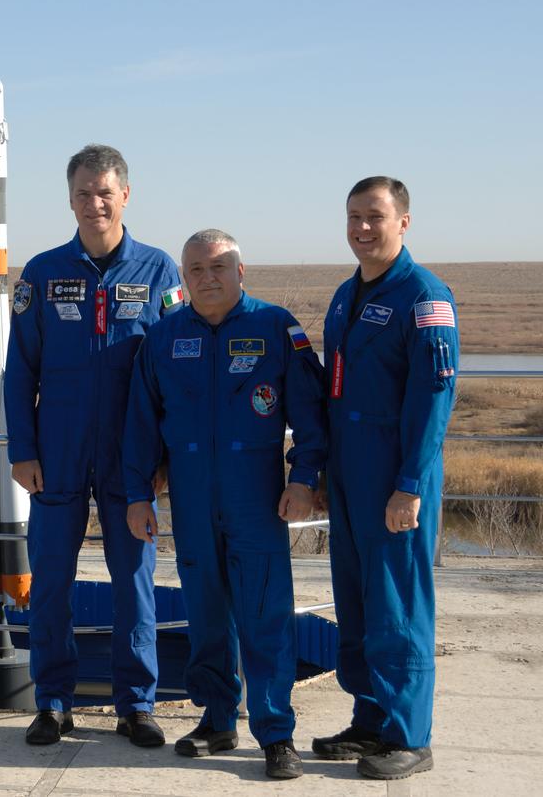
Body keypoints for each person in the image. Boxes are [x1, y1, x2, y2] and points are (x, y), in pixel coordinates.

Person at [122, 229, 327, 779]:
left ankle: (275, 734)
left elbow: (310, 415)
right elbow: (141, 426)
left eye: (218, 266)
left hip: (256, 500)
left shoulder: (275, 327)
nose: (207, 277)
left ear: (241, 270)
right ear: (183, 279)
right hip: (190, 501)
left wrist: (304, 477)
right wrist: (138, 495)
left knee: (265, 617)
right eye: (195, 269)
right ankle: (216, 719)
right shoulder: (164, 338)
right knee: (207, 616)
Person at [4, 144, 184, 747]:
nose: (94, 203)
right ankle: (53, 701)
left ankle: (136, 703)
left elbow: (175, 377)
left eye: (105, 192)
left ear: (125, 196)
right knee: (52, 579)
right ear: (70, 199)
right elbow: (19, 370)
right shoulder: (42, 272)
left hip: (131, 455)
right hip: (56, 451)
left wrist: (162, 458)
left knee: (133, 579)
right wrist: (21, 450)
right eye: (83, 193)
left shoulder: (159, 271)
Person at [312, 177, 458, 780]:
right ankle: (369, 719)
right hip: (348, 474)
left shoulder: (423, 296)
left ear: (404, 222)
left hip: (393, 478)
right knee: (359, 604)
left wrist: (411, 484)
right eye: (353, 217)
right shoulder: (347, 296)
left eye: (375, 216)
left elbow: (433, 398)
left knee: (398, 608)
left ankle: (409, 735)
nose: (362, 228)